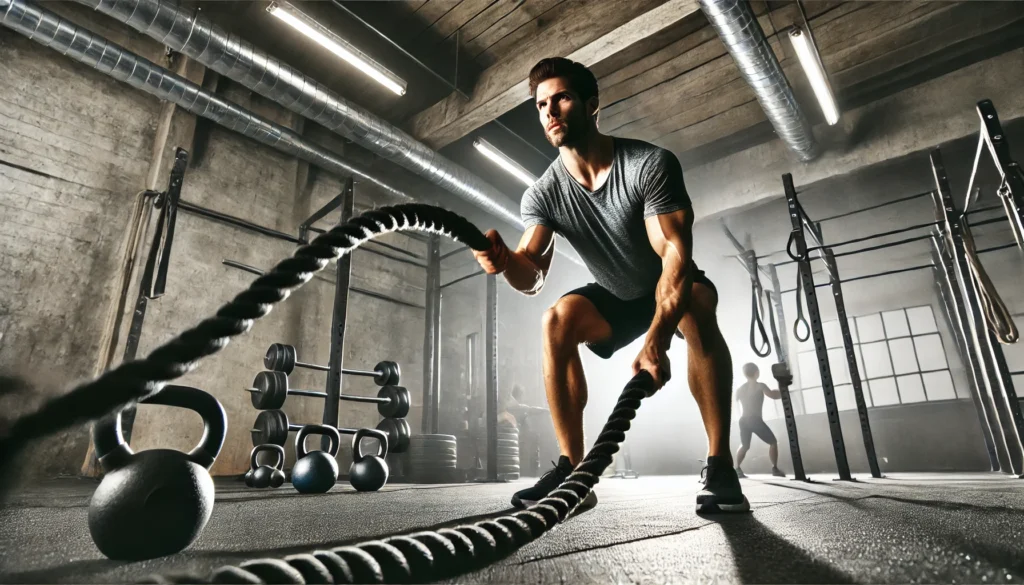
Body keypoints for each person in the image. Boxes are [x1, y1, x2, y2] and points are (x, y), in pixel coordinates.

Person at [472, 57, 746, 514]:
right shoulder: (543, 193)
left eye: (560, 98)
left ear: (591, 104)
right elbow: (532, 274)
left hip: (669, 282)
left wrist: (657, 339)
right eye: (541, 105)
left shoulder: (648, 164)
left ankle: (720, 467)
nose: (550, 112)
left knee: (697, 303)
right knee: (555, 319)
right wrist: (502, 262)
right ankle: (574, 473)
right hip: (618, 296)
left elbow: (675, 257)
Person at [734, 363, 786, 478]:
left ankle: (737, 469)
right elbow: (773, 395)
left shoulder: (740, 389)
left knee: (745, 445)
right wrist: (784, 389)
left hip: (743, 421)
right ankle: (775, 469)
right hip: (755, 420)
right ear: (757, 373)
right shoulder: (760, 386)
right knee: (773, 442)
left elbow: (734, 403)